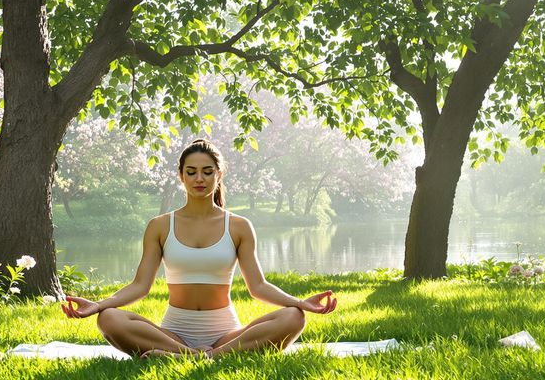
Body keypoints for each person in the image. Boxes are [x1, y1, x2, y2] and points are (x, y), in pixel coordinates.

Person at [61, 138, 338, 358]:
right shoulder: (159, 226)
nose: (199, 179)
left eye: (207, 172)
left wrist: (300, 303)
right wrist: (98, 305)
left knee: (293, 318)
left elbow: (259, 286)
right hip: (173, 332)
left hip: (226, 333)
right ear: (181, 175)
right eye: (191, 172)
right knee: (108, 319)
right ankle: (190, 354)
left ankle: (205, 356)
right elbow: (140, 285)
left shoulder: (239, 226)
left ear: (219, 174)